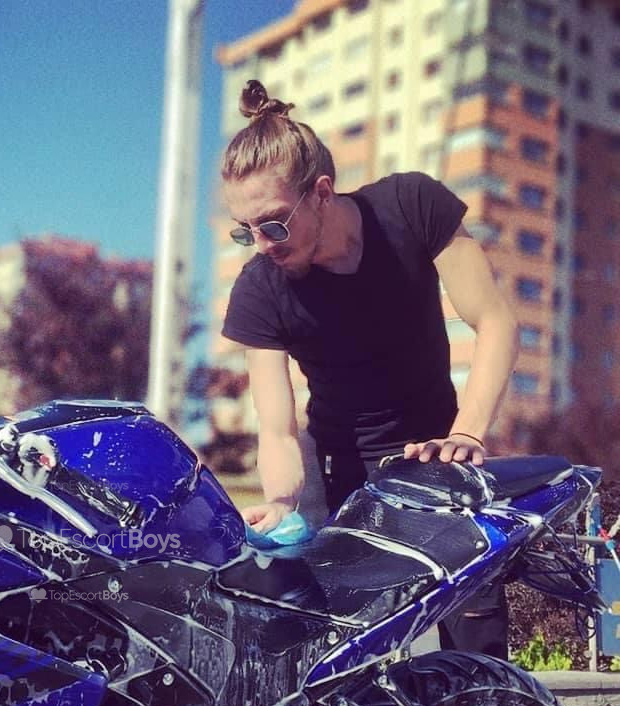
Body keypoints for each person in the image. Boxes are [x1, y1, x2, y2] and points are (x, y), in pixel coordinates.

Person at [220, 81, 518, 659]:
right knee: (349, 653)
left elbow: (496, 321)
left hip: (440, 453)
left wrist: (468, 433)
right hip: (341, 468)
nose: (261, 245)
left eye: (274, 224)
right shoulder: (260, 288)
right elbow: (277, 428)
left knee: (476, 638)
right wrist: (281, 501)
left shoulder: (411, 206)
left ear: (321, 193)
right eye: (244, 230)